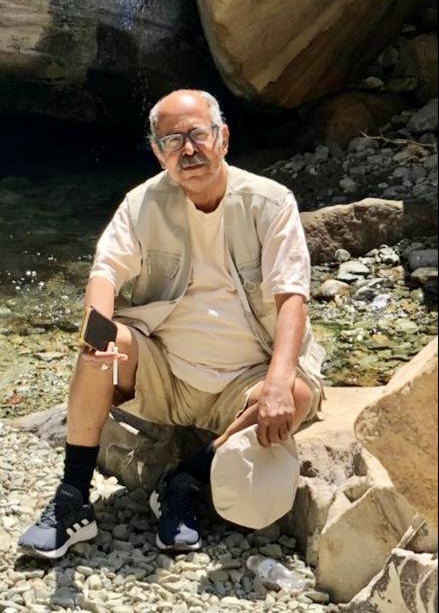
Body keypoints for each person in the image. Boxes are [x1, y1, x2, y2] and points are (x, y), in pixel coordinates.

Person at [18, 89, 324, 558]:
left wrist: (279, 381)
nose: (188, 150)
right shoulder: (142, 203)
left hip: (243, 380)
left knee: (296, 392)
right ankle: (72, 497)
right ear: (158, 153)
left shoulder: (269, 202)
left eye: (197, 135)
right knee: (100, 346)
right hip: (165, 374)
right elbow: (105, 272)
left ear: (223, 138)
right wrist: (95, 334)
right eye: (172, 141)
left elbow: (291, 297)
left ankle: (186, 479)